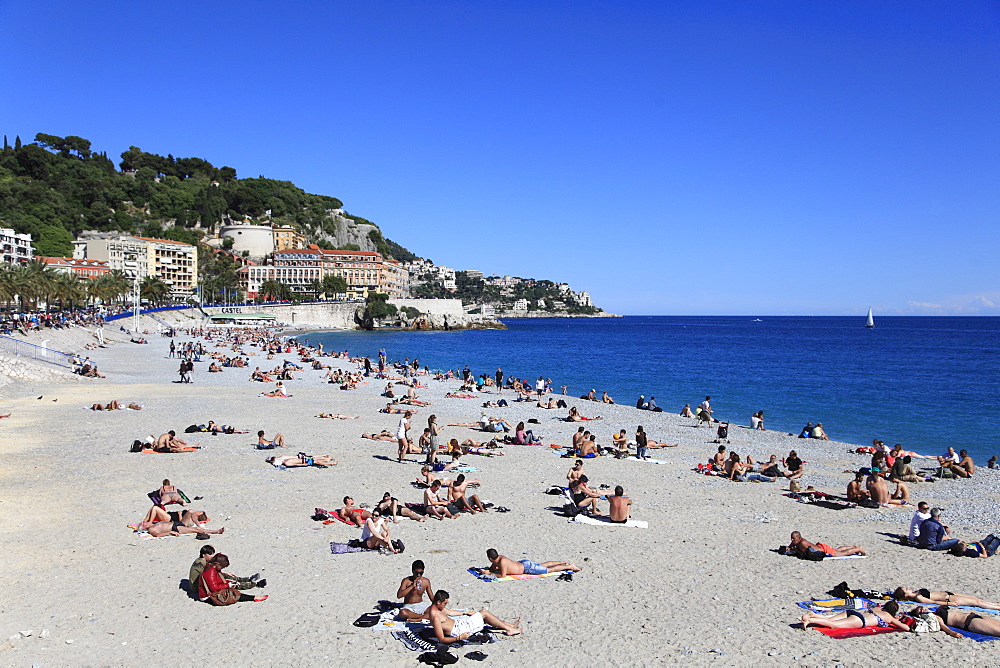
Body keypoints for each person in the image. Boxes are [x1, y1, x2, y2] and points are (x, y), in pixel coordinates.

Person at [426, 590, 522, 643]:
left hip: (459, 624)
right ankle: (509, 629)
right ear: (439, 602)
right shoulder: (435, 617)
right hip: (460, 631)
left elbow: (450, 612)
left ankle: (510, 625)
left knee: (482, 615)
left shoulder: (437, 608)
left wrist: (465, 613)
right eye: (445, 603)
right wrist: (459, 638)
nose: (445, 605)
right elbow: (441, 639)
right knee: (484, 613)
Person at [189, 544, 263, 597]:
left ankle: (246, 579)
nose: (212, 556)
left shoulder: (203, 561)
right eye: (210, 554)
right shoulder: (201, 563)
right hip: (199, 587)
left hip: (201, 583)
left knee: (224, 576)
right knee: (225, 581)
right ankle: (251, 584)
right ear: (203, 555)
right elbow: (206, 575)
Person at [196, 554, 268, 604]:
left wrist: (230, 582)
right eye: (222, 567)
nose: (222, 569)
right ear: (217, 564)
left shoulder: (211, 567)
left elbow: (217, 581)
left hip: (211, 592)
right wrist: (228, 584)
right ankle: (254, 597)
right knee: (233, 595)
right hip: (208, 596)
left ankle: (252, 591)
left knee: (233, 589)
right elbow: (214, 588)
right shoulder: (210, 572)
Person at [800, 601, 908, 631]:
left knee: (828, 619)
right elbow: (906, 628)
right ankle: (810, 621)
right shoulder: (889, 617)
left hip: (852, 613)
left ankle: (813, 614)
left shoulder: (878, 608)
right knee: (833, 625)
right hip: (860, 620)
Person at [478, 548, 581, 578]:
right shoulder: (498, 559)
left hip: (526, 569)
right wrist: (486, 571)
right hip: (524, 564)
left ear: (490, 558)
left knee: (548, 570)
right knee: (542, 565)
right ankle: (561, 562)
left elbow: (503, 575)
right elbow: (492, 569)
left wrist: (489, 573)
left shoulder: (502, 562)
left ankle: (570, 566)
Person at [892, 586, 1000, 610]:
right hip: (949, 599)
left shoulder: (916, 592)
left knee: (975, 598)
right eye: (905, 589)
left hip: (949, 593)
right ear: (905, 595)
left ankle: (996, 605)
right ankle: (997, 607)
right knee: (975, 602)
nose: (907, 587)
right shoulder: (919, 598)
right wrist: (950, 604)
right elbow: (933, 602)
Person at [931, 606, 1000, 638]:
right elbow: (942, 625)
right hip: (969, 622)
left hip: (973, 616)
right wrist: (952, 632)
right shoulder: (933, 616)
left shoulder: (933, 609)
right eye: (919, 611)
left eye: (920, 608)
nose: (921, 610)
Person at [786, 531, 866, 557]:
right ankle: (852, 547)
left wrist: (795, 549)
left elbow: (804, 554)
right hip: (820, 546)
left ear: (799, 538)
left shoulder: (803, 543)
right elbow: (791, 546)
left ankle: (859, 549)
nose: (792, 540)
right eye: (791, 538)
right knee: (836, 550)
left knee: (841, 554)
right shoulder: (796, 541)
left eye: (793, 538)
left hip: (824, 550)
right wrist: (789, 548)